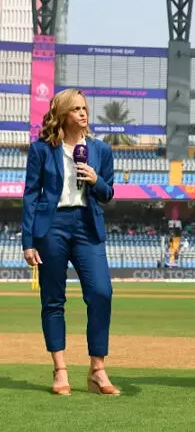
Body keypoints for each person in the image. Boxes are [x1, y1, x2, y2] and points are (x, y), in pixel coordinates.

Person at [21, 88, 119, 396]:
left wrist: (95, 179)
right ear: (62, 114)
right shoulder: (41, 149)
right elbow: (30, 195)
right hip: (51, 226)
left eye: (85, 108)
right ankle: (60, 370)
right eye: (76, 109)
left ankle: (97, 370)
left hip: (87, 225)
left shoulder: (101, 150)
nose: (83, 113)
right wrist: (28, 241)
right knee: (53, 300)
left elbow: (108, 193)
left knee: (101, 292)